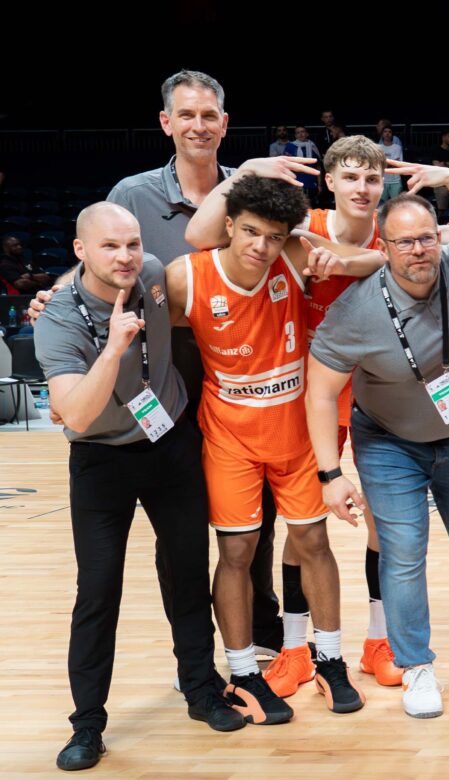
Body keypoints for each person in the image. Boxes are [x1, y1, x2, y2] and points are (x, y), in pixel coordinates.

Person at [39, 203, 249, 771]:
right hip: (100, 458)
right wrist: (113, 347)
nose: (126, 256)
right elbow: (75, 414)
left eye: (132, 243)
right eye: (110, 246)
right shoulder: (57, 318)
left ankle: (201, 691)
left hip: (168, 441)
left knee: (187, 571)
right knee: (98, 589)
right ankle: (87, 725)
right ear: (81, 251)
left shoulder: (153, 273)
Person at [170, 176, 385, 726]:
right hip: (229, 436)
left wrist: (334, 259)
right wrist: (54, 300)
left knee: (313, 542)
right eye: (249, 232)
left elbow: (374, 261)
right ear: (227, 226)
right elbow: (115, 294)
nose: (260, 246)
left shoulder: (293, 255)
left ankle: (329, 660)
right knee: (237, 553)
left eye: (272, 235)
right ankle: (244, 673)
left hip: (294, 431)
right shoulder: (187, 276)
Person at [106, 69, 294, 668]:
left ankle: (261, 631)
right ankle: (194, 656)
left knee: (256, 518)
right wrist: (55, 294)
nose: (198, 125)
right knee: (181, 527)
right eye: (186, 115)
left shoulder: (251, 191)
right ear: (166, 122)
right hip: (167, 373)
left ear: (225, 124)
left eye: (209, 115)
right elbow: (98, 271)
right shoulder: (131, 195)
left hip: (243, 372)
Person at [304, 194, 449, 719]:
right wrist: (330, 474)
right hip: (388, 442)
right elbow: (320, 392)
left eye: (426, 238)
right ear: (384, 246)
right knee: (403, 553)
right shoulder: (356, 310)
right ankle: (416, 664)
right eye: (404, 242)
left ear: (440, 237)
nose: (418, 250)